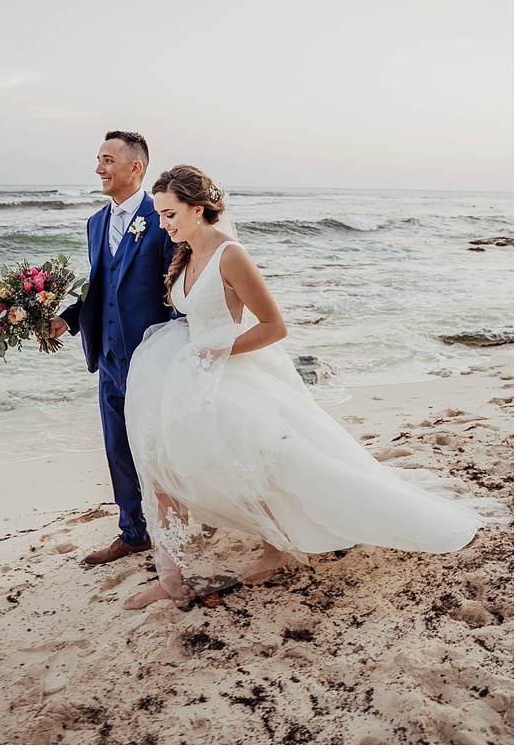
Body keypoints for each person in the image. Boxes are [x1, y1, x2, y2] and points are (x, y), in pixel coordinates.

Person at [120, 165, 508, 609]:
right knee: (161, 468)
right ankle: (170, 576)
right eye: (161, 215)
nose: (164, 224)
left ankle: (276, 544)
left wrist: (215, 354)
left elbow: (274, 326)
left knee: (258, 467)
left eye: (170, 214)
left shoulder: (231, 255)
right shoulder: (185, 253)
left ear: (198, 207)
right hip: (184, 371)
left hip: (228, 372)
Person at [47, 132, 176, 565]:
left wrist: (178, 353)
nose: (99, 168)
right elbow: (98, 287)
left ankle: (179, 536)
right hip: (108, 359)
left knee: (163, 452)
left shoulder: (163, 218)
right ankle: (133, 533)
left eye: (107, 160)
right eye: (98, 160)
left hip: (152, 359)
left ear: (134, 167)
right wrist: (65, 319)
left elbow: (177, 289)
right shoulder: (95, 223)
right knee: (118, 449)